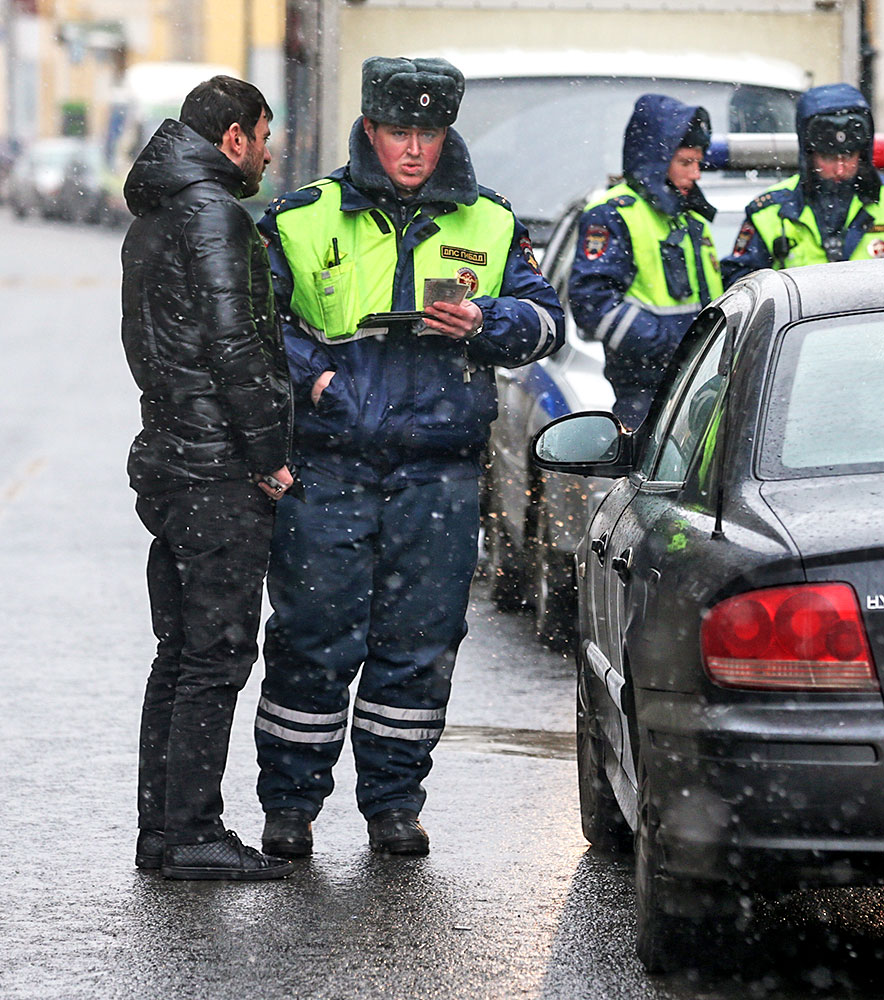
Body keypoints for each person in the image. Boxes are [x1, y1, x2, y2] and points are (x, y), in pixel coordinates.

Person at [254, 56, 563, 857]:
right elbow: (254, 325)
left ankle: (394, 802)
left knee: (420, 644)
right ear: (369, 129)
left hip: (440, 471)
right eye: (399, 131)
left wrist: (491, 321)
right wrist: (313, 375)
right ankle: (290, 806)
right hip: (329, 465)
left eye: (428, 131)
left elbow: (548, 322)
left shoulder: (490, 223)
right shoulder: (302, 216)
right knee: (314, 637)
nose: (415, 149)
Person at [121, 75, 294, 880]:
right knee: (215, 656)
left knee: (180, 652)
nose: (270, 148)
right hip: (215, 468)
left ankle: (162, 828)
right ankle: (190, 830)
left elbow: (162, 347)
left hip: (171, 458)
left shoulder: (157, 214)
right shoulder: (215, 215)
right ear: (233, 138)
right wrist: (266, 459)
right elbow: (236, 347)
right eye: (264, 133)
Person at [569, 94, 721, 428]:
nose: (696, 174)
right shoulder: (613, 214)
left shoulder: (688, 218)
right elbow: (593, 304)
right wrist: (672, 346)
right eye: (685, 162)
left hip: (700, 384)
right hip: (645, 393)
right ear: (656, 160)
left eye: (699, 162)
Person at [721, 83, 884, 283]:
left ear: (862, 153)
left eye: (849, 156)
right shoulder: (769, 211)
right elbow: (741, 287)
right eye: (829, 158)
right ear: (809, 155)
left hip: (878, 323)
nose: (840, 169)